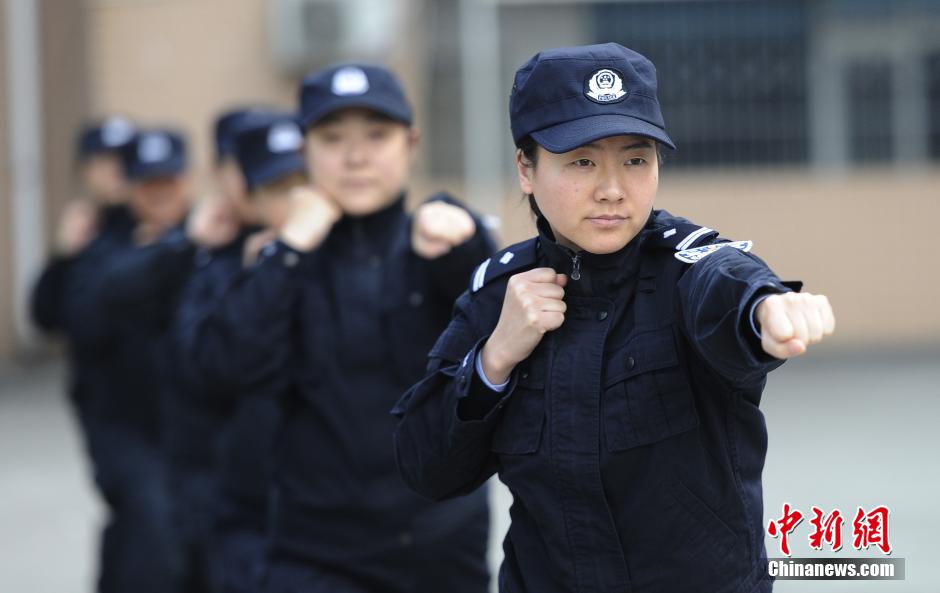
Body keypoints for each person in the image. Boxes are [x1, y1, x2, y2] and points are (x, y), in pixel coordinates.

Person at [392, 42, 836, 593]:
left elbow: (726, 285)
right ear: (526, 168)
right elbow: (426, 468)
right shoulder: (500, 295)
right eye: (582, 161)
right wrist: (494, 359)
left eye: (635, 160)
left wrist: (765, 308)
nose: (612, 190)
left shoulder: (686, 266)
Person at [188, 63, 496, 593]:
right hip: (316, 552)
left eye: (377, 135)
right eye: (332, 139)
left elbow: (503, 341)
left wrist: (467, 247)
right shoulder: (281, 260)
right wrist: (289, 249)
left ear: (411, 143)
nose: (356, 157)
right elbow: (220, 370)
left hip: (441, 547)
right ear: (304, 151)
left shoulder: (442, 243)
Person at [184, 109, 308, 593]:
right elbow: (205, 373)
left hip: (340, 516)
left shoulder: (361, 258)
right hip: (249, 506)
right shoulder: (226, 266)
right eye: (279, 188)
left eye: (304, 183)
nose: (296, 201)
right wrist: (263, 279)